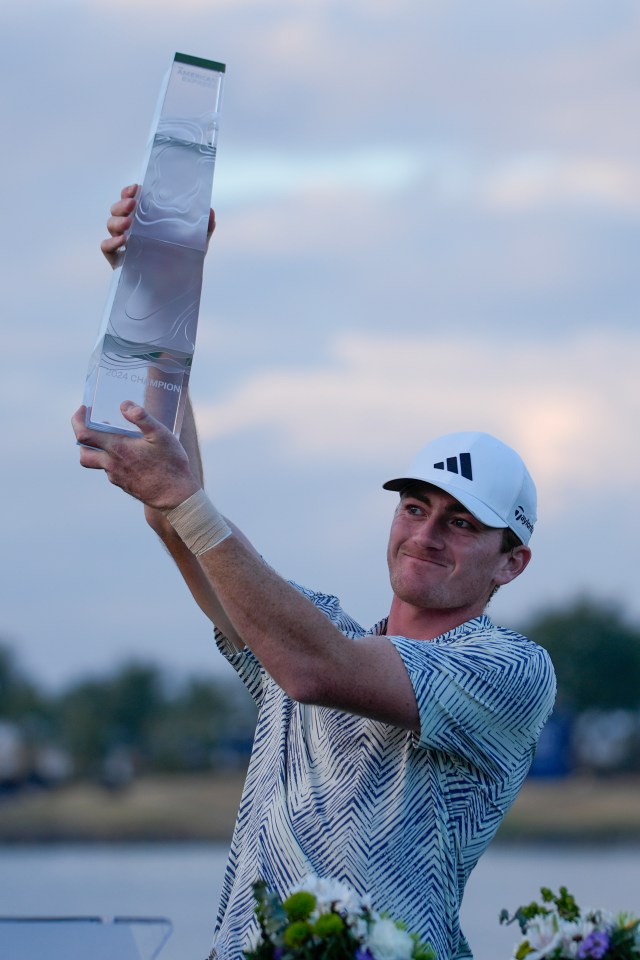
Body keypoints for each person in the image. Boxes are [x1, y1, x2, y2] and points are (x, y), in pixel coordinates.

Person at [72, 187, 556, 960]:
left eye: (461, 523)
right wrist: (158, 293)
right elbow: (183, 523)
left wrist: (183, 496)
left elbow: (313, 669)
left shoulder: (510, 671)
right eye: (414, 507)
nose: (425, 534)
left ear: (513, 562)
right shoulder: (312, 623)